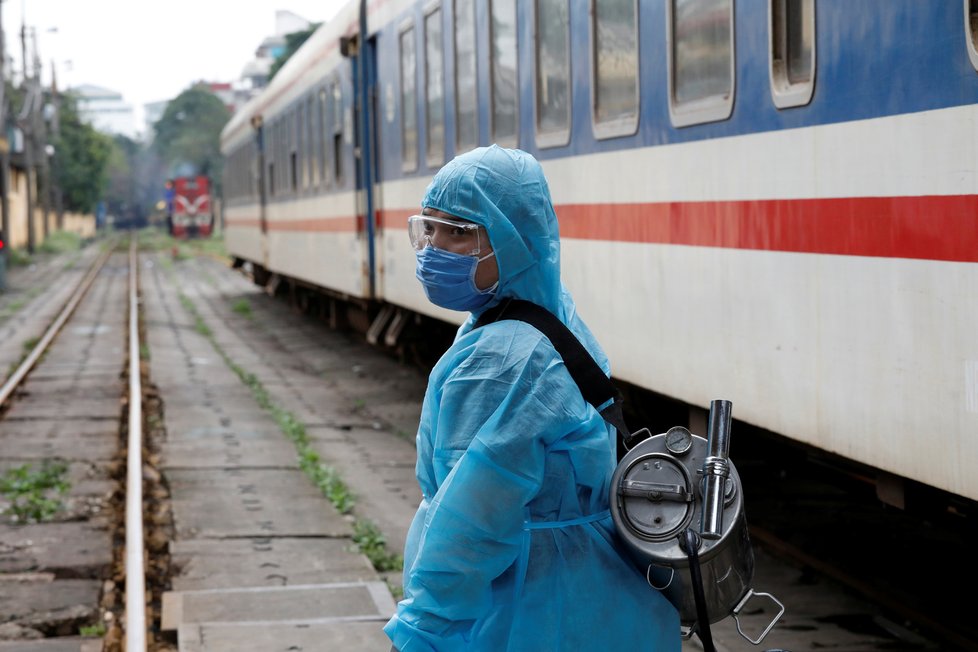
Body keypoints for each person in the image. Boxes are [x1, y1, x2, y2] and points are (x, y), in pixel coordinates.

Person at [384, 145, 680, 652]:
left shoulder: (501, 360)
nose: (434, 248)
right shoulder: (549, 314)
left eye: (458, 232)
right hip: (596, 598)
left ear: (512, 241)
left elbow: (471, 520)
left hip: (528, 607)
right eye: (428, 228)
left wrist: (422, 630)